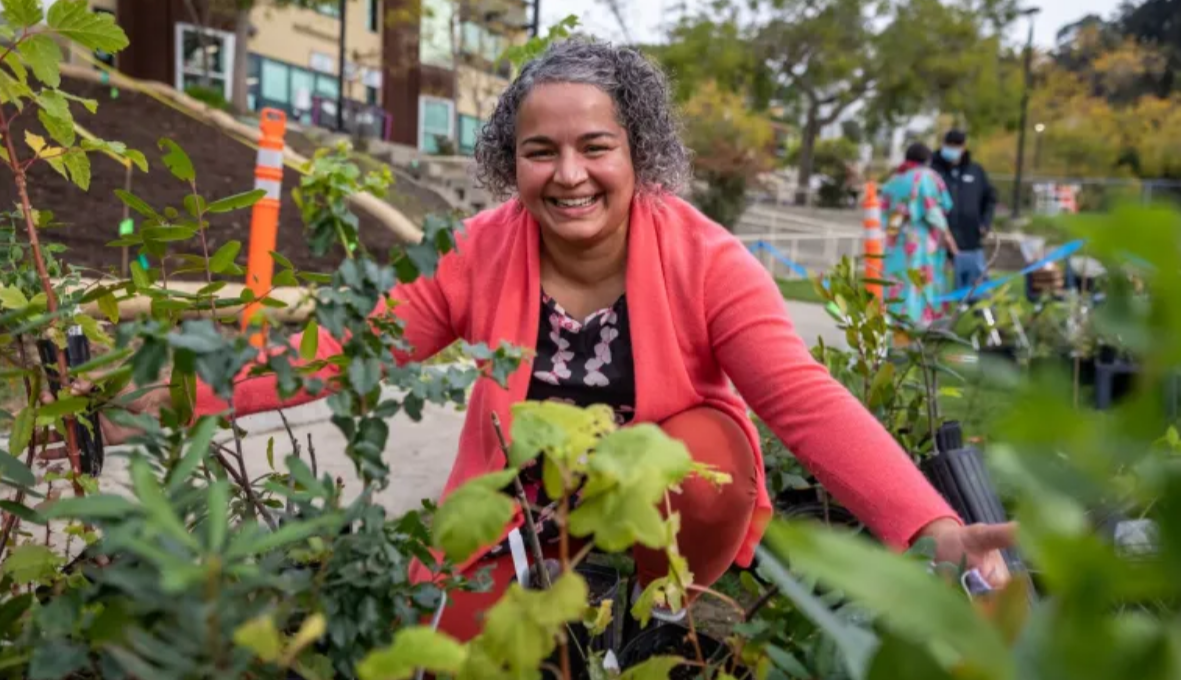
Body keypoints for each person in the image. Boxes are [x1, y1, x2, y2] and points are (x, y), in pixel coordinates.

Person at [67, 40, 1014, 642]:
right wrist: (172, 395)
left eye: (595, 146)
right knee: (458, 651)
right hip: (523, 504)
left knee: (697, 466)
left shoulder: (706, 258)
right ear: (508, 160)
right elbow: (350, 347)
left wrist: (930, 524)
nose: (569, 175)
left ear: (637, 152)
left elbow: (800, 397)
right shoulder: (480, 253)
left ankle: (661, 613)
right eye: (540, 151)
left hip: (672, 496)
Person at [882, 142, 958, 326]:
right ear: (927, 160)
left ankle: (895, 329)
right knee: (920, 285)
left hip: (895, 242)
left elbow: (885, 213)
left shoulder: (894, 180)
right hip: (921, 242)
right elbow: (933, 210)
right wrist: (949, 239)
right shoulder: (926, 176)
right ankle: (918, 330)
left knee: (897, 285)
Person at [931, 129, 997, 296]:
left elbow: (989, 198)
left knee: (976, 288)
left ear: (963, 147)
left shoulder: (975, 171)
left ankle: (978, 309)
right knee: (936, 286)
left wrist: (985, 223)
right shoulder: (933, 170)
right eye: (949, 144)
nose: (952, 149)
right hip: (939, 238)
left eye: (957, 145)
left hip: (969, 238)